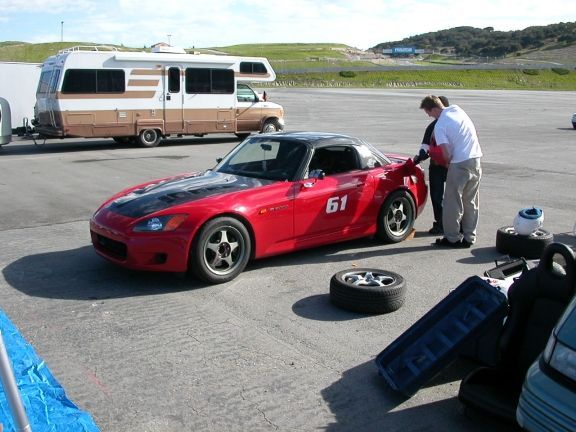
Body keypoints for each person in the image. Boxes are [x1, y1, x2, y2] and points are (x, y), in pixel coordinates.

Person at [419, 95, 483, 248]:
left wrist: (447, 164)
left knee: (452, 202)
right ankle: (469, 237)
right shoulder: (457, 109)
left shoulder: (440, 125)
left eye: (428, 112)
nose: (429, 116)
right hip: (476, 159)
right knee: (471, 201)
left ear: (434, 108)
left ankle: (452, 238)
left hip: (459, 163)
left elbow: (446, 153)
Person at [413, 95, 450, 235]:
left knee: (449, 197)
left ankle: (451, 223)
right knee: (437, 196)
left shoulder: (450, 124)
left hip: (450, 164)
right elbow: (425, 147)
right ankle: (440, 224)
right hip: (437, 166)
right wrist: (419, 158)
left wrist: (420, 157)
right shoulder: (432, 127)